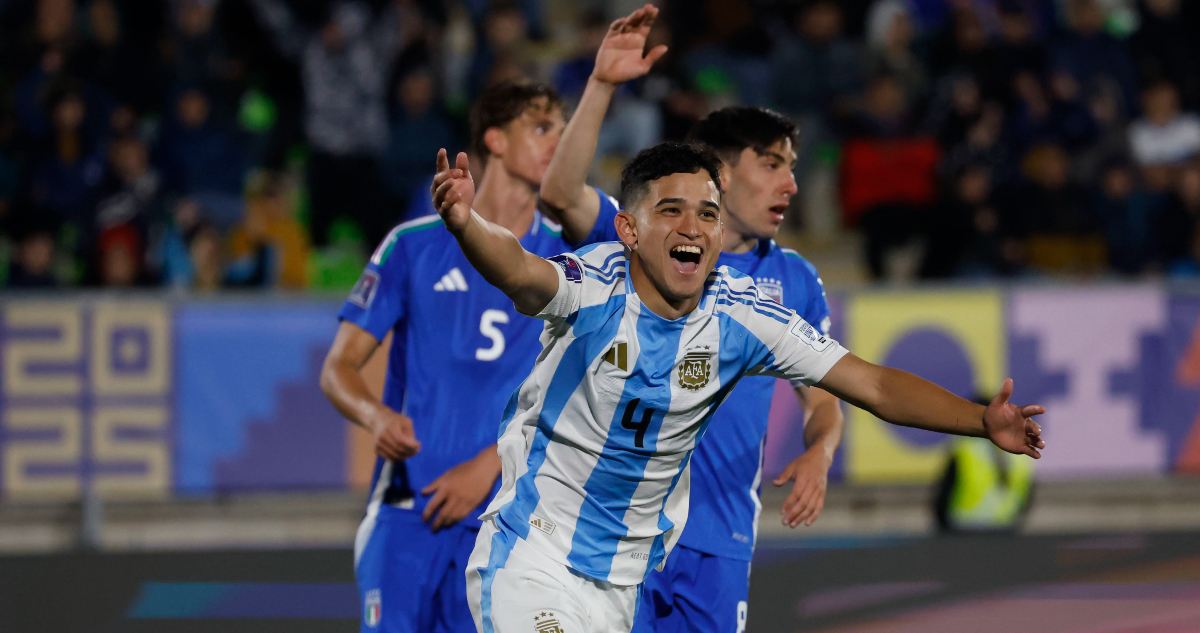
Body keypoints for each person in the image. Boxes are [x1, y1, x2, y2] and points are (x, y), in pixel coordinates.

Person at [431, 140, 1044, 633]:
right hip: (533, 558)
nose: (692, 226)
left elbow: (873, 385)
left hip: (624, 584)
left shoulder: (743, 316)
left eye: (708, 213)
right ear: (629, 230)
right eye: (670, 210)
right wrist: (465, 224)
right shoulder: (594, 286)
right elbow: (518, 269)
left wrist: (979, 421)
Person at [535, 9, 845, 629]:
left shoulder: (794, 280)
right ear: (723, 174)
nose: (790, 181)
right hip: (615, 528)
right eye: (772, 163)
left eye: (791, 164)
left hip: (718, 537)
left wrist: (820, 453)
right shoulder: (639, 238)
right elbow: (561, 194)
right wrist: (601, 85)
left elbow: (825, 398)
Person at [319, 81, 615, 633]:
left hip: (508, 523)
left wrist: (490, 467)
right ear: (494, 139)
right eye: (542, 127)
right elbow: (338, 368)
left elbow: (587, 394)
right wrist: (376, 417)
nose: (558, 141)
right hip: (409, 511)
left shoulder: (571, 260)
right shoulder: (412, 245)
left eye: (563, 128)